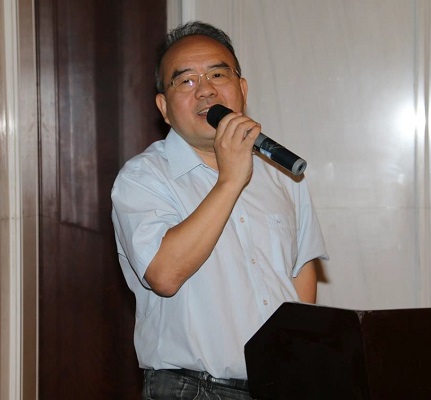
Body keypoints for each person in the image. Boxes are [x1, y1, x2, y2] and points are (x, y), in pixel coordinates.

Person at [111, 21, 328, 400]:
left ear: (242, 89)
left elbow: (300, 277)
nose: (206, 90)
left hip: (277, 383)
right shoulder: (143, 177)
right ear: (164, 107)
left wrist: (296, 365)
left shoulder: (281, 174)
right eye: (186, 81)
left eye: (217, 74)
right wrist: (230, 180)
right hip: (191, 388)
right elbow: (164, 274)